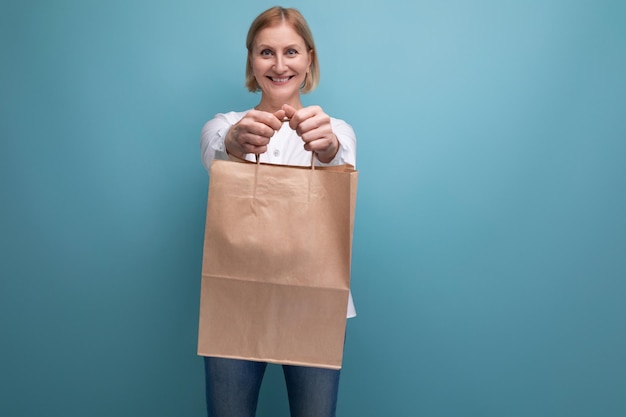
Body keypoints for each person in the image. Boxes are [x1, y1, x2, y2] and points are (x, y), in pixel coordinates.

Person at [199, 6, 356, 417]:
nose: (280, 64)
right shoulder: (223, 124)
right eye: (266, 52)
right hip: (235, 298)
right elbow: (217, 148)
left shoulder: (335, 128)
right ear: (252, 60)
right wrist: (236, 140)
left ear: (309, 59)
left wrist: (327, 147)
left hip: (315, 302)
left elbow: (339, 158)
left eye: (291, 51)